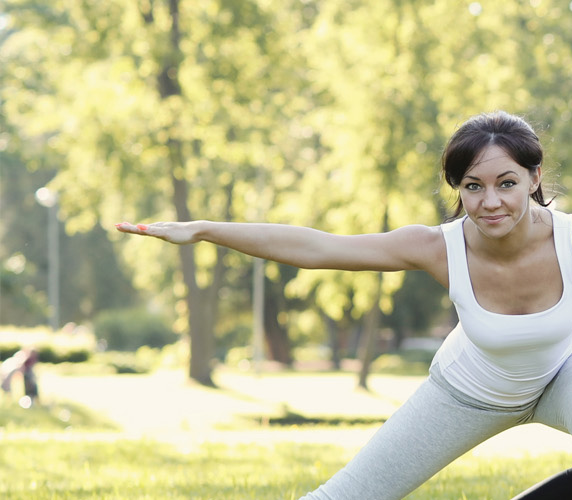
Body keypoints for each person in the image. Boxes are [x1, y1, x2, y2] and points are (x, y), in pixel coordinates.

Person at [116, 110, 572, 499]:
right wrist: (203, 229)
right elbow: (317, 249)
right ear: (458, 188)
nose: (490, 202)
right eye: (473, 187)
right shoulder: (437, 247)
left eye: (506, 183)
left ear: (533, 177)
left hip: (558, 379)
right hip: (468, 394)